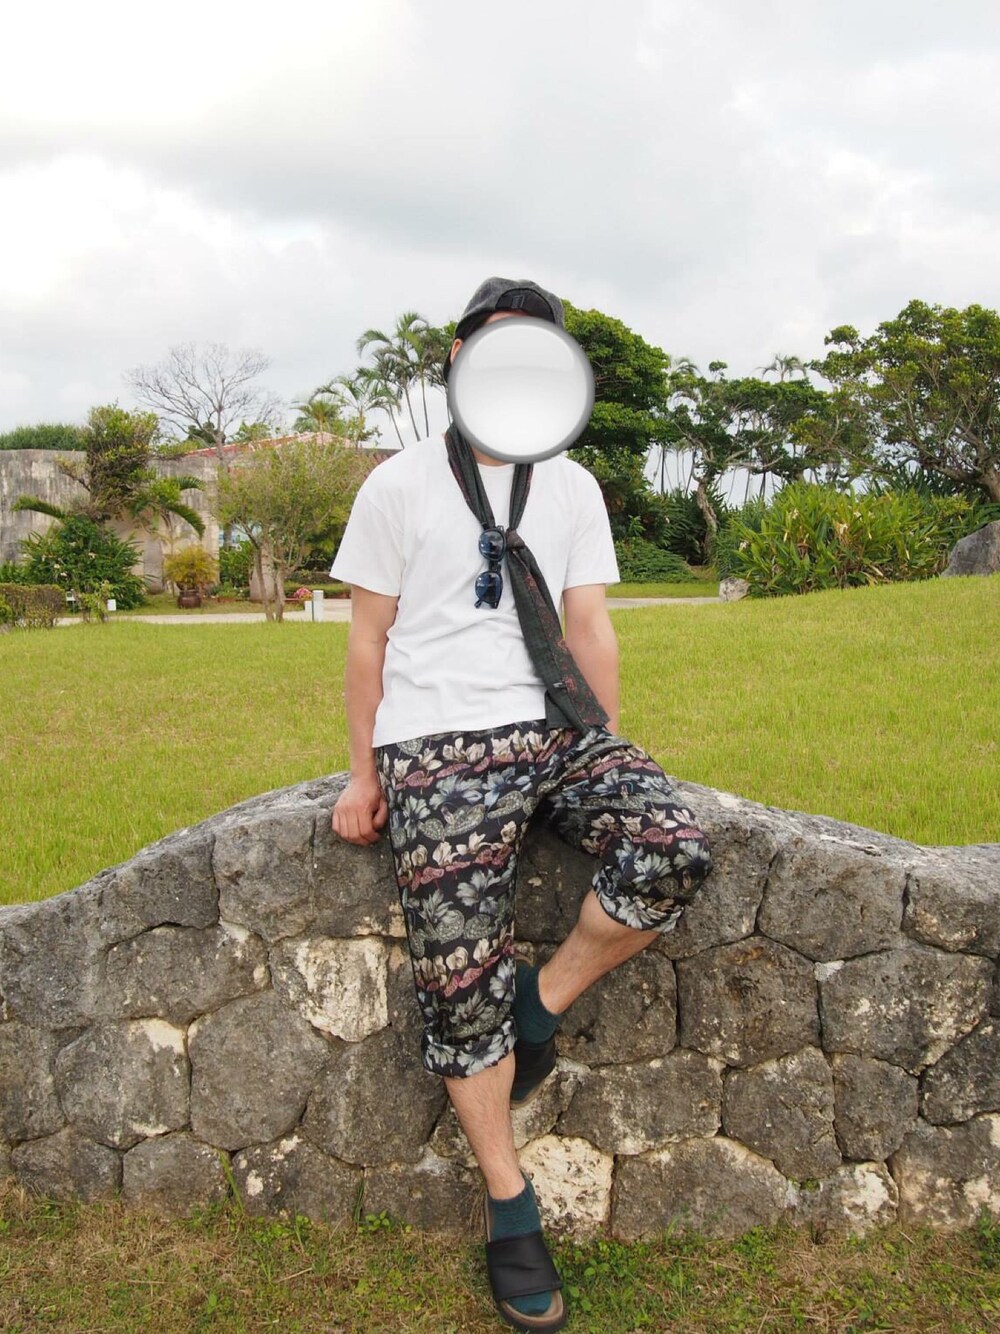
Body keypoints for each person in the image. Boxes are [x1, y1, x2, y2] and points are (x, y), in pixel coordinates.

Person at [331, 276, 712, 1333]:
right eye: (495, 346)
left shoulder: (573, 484)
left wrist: (608, 746)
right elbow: (366, 638)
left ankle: (539, 1005)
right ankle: (510, 1202)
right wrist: (363, 772)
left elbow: (590, 625)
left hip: (556, 728)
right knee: (459, 987)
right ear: (457, 356)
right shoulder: (398, 484)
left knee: (673, 847)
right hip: (437, 742)